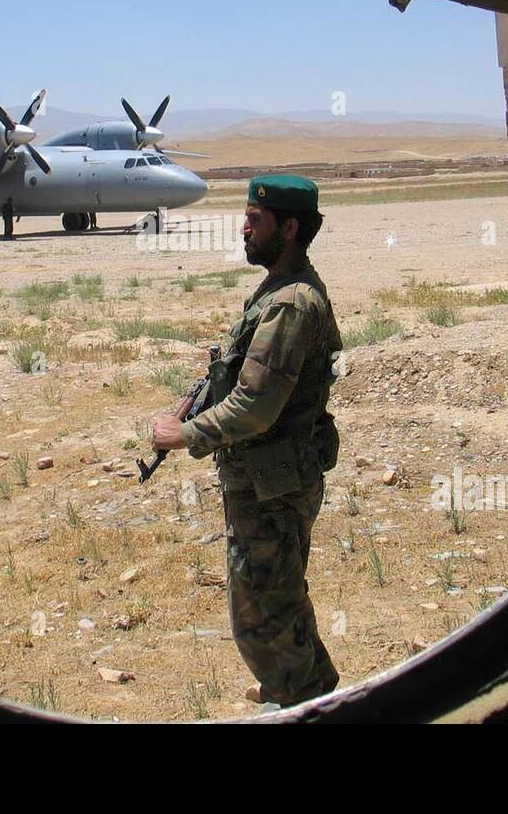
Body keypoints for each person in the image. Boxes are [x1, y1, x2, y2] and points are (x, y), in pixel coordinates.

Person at [152, 174, 342, 709]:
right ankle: (309, 693)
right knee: (280, 605)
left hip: (272, 487)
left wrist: (185, 433)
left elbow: (257, 407)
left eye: (256, 221)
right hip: (266, 481)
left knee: (260, 618)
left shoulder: (291, 304)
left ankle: (304, 700)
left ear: (290, 227)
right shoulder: (278, 292)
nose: (244, 228)